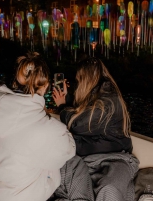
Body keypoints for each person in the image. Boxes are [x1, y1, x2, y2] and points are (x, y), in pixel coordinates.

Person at [0, 52, 76, 201]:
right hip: (27, 197)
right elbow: (69, 150)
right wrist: (61, 109)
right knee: (70, 163)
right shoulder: (49, 129)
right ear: (46, 85)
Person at [52, 57, 139, 201]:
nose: (77, 82)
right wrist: (67, 100)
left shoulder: (109, 100)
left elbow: (79, 124)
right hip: (87, 159)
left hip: (115, 158)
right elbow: (82, 119)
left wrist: (62, 107)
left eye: (79, 78)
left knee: (109, 189)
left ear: (86, 78)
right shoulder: (93, 97)